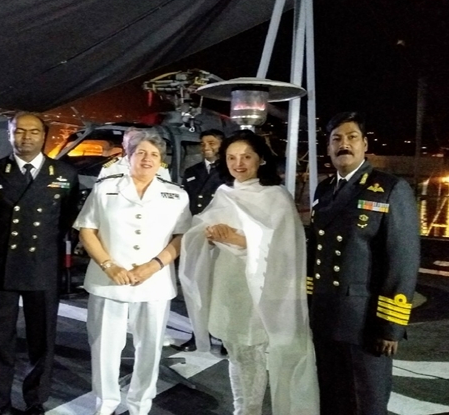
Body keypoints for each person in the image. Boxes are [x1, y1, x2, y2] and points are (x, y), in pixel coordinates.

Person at [180, 130, 319, 415]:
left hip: (257, 287)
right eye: (232, 157)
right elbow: (204, 232)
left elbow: (284, 246)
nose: (238, 164)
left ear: (261, 159)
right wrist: (209, 236)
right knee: (235, 353)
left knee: (251, 352)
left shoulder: (275, 196)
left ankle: (250, 410)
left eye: (246, 157)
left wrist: (235, 238)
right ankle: (241, 408)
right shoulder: (224, 192)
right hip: (226, 283)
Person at [307, 112, 420, 415]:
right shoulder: (324, 190)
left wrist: (390, 326)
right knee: (331, 400)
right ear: (328, 147)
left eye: (351, 137)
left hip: (364, 324)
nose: (343, 144)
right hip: (325, 317)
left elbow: (402, 260)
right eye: (336, 139)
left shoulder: (389, 188)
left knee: (366, 404)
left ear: (365, 144)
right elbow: (315, 252)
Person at [74, 130, 191, 415]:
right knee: (104, 346)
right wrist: (109, 265)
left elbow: (182, 236)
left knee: (150, 348)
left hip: (155, 282)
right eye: (141, 153)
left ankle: (140, 404)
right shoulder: (106, 189)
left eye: (154, 154)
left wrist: (154, 265)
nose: (147, 159)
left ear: (161, 160)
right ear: (129, 156)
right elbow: (87, 229)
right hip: (108, 280)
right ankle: (106, 404)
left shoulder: (176, 195)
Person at [0, 112, 79, 415]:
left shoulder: (64, 173)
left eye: (33, 131)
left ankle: (36, 400)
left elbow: (67, 218)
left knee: (42, 338)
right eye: (19, 131)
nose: (26, 137)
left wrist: (44, 245)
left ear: (44, 136)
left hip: (42, 264)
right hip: (0, 263)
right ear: (9, 134)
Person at [174, 128, 225, 353]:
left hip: (221, 236)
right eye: (203, 144)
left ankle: (225, 337)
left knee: (220, 288)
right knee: (196, 286)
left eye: (212, 143)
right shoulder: (192, 172)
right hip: (196, 235)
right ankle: (198, 334)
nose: (206, 147)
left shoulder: (229, 171)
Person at [98, 127, 171, 181]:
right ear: (124, 145)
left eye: (138, 141)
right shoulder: (111, 168)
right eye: (131, 142)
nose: (134, 145)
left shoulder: (159, 168)